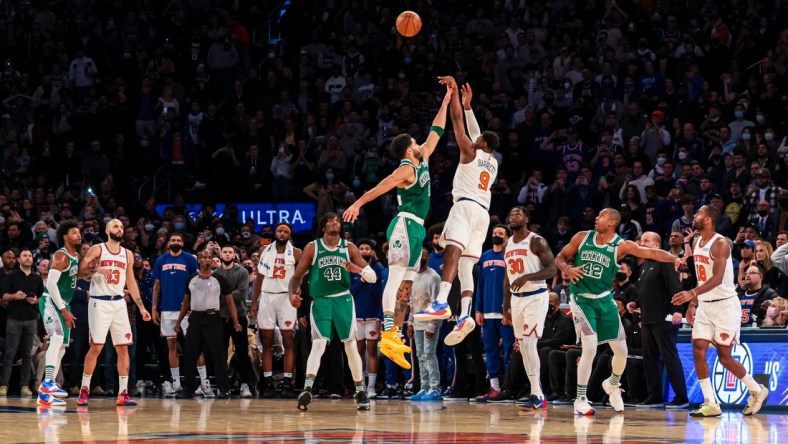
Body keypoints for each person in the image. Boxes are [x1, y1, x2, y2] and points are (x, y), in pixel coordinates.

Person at [342, 85, 452, 369]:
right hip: (404, 225)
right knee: (394, 277)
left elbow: (436, 131)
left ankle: (395, 333)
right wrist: (358, 204)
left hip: (418, 229)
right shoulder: (407, 167)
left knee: (407, 283)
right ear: (408, 148)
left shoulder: (423, 157)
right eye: (415, 141)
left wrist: (448, 99)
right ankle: (389, 331)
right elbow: (381, 186)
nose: (420, 142)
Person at [555, 208, 682, 415]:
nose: (597, 218)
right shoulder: (582, 237)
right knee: (589, 347)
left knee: (622, 351)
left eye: (601, 216)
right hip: (581, 299)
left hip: (605, 300)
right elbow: (560, 257)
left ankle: (612, 384)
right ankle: (580, 398)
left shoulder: (621, 246)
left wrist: (673, 258)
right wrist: (567, 269)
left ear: (612, 222)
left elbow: (651, 253)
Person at [416, 77, 501, 350]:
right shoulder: (492, 161)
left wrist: (453, 95)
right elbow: (476, 132)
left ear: (482, 144)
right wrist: (469, 107)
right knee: (466, 266)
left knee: (451, 251)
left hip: (464, 206)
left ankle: (441, 301)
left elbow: (456, 122)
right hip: (483, 214)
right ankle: (465, 315)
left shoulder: (470, 152)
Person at [671, 205, 769, 417]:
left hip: (724, 304)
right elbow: (702, 276)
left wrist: (691, 293)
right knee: (698, 348)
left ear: (708, 220)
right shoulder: (697, 241)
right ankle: (710, 403)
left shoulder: (721, 244)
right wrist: (693, 303)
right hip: (705, 304)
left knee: (724, 356)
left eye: (698, 213)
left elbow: (716, 279)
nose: (694, 215)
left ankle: (756, 390)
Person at [288, 213, 376, 411]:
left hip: (343, 300)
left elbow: (373, 276)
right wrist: (291, 295)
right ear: (323, 227)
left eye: (338, 220)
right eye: (330, 220)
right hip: (320, 302)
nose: (335, 222)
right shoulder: (313, 247)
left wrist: (359, 270)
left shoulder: (349, 247)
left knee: (350, 345)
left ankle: (360, 391)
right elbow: (296, 277)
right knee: (318, 344)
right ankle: (307, 389)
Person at [77, 219, 151, 406]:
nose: (120, 229)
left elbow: (131, 282)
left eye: (121, 227)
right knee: (97, 346)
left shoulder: (127, 254)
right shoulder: (98, 249)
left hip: (118, 303)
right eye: (116, 226)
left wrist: (141, 307)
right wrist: (100, 269)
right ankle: (84, 389)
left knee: (123, 347)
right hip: (99, 302)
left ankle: (123, 392)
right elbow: (81, 268)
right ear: (107, 230)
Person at [502, 207, 556, 409]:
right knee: (523, 347)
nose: (513, 216)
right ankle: (535, 389)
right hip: (516, 300)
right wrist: (505, 306)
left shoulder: (536, 241)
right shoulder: (508, 244)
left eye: (517, 214)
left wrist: (527, 277)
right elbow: (507, 277)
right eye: (511, 213)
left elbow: (552, 269)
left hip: (536, 296)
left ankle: (537, 393)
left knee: (530, 344)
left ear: (526, 219)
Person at [626, 231, 688, 409]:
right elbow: (648, 291)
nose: (641, 243)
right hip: (647, 319)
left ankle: (681, 397)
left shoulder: (665, 262)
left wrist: (677, 310)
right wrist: (636, 303)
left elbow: (675, 287)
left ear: (657, 245)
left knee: (669, 357)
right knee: (650, 359)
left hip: (664, 318)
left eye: (646, 241)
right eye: (641, 240)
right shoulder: (645, 265)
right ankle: (655, 396)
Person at [175, 249, 242, 399]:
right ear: (199, 260)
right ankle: (188, 389)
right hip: (196, 319)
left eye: (209, 257)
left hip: (213, 319)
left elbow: (230, 302)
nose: (207, 260)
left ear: (212, 260)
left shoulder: (220, 279)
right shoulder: (191, 278)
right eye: (203, 257)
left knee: (218, 355)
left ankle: (223, 388)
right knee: (191, 354)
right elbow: (186, 302)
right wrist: (179, 321)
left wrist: (236, 321)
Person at [251, 222, 302, 397]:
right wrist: (253, 302)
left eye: (285, 231)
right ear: (275, 233)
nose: (281, 233)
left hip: (286, 297)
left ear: (290, 234)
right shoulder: (264, 251)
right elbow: (259, 277)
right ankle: (268, 384)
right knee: (267, 341)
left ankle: (288, 383)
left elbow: (300, 276)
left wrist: (297, 290)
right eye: (279, 230)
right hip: (267, 296)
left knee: (288, 340)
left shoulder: (296, 252)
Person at [36, 220, 81, 406]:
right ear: (65, 236)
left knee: (62, 347)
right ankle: (47, 383)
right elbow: (51, 284)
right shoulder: (61, 256)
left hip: (63, 303)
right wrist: (62, 309)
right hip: (52, 301)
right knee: (55, 339)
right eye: (74, 232)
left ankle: (45, 396)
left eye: (79, 232)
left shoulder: (76, 256)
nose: (78, 235)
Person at [151, 233, 198, 397]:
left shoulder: (190, 260)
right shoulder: (161, 261)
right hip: (167, 309)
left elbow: (196, 284)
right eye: (173, 240)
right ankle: (176, 383)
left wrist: (194, 305)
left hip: (186, 309)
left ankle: (199, 382)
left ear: (183, 243)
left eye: (179, 240)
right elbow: (157, 286)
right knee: (171, 346)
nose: (176, 242)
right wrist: (154, 306)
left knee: (193, 347)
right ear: (168, 243)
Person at [473, 224, 514, 402]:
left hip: (506, 312)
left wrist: (510, 309)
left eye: (500, 233)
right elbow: (479, 285)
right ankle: (495, 388)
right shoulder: (484, 257)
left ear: (507, 237)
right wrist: (478, 309)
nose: (496, 235)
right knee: (490, 351)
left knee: (508, 351)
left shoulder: (511, 255)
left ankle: (509, 388)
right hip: (487, 312)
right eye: (494, 232)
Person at [0, 248, 44, 399]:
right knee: (10, 353)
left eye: (30, 256)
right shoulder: (11, 277)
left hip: (31, 318)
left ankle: (25, 386)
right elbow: (4, 296)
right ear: (19, 260)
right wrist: (15, 296)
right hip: (14, 318)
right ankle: (3, 385)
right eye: (24, 256)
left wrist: (36, 300)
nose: (28, 258)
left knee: (27, 354)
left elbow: (42, 298)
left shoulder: (37, 278)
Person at [213, 244, 252, 398]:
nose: (227, 254)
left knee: (242, 352)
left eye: (230, 252)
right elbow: (213, 294)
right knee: (220, 352)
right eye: (225, 252)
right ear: (221, 254)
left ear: (234, 255)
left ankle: (245, 384)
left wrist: (224, 297)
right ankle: (222, 385)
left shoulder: (242, 271)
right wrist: (227, 297)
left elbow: (241, 294)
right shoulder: (215, 273)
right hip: (221, 317)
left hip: (240, 316)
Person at [407, 248, 442, 401]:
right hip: (417, 322)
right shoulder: (412, 276)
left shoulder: (433, 277)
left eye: (424, 256)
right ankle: (424, 387)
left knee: (429, 354)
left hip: (430, 322)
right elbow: (411, 302)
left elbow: (436, 303)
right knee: (420, 355)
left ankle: (435, 388)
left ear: (428, 259)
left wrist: (432, 325)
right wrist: (410, 323)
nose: (421, 259)